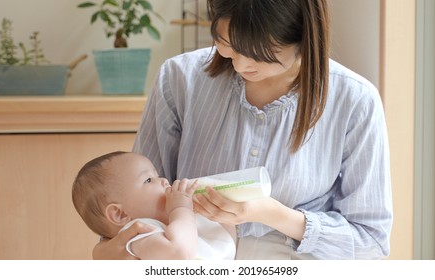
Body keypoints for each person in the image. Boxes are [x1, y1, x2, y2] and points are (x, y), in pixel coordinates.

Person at [94, 0, 393, 260]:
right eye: (227, 44)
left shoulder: (354, 100)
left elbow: (371, 239)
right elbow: (132, 205)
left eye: (260, 52)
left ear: (303, 34)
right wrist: (107, 250)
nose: (239, 64)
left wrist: (271, 214)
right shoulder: (179, 80)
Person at [72, 151, 236, 260]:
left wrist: (215, 213)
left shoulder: (174, 224)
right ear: (120, 214)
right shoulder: (140, 233)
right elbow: (179, 253)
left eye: (157, 175)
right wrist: (181, 209)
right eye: (148, 180)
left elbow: (226, 246)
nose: (164, 181)